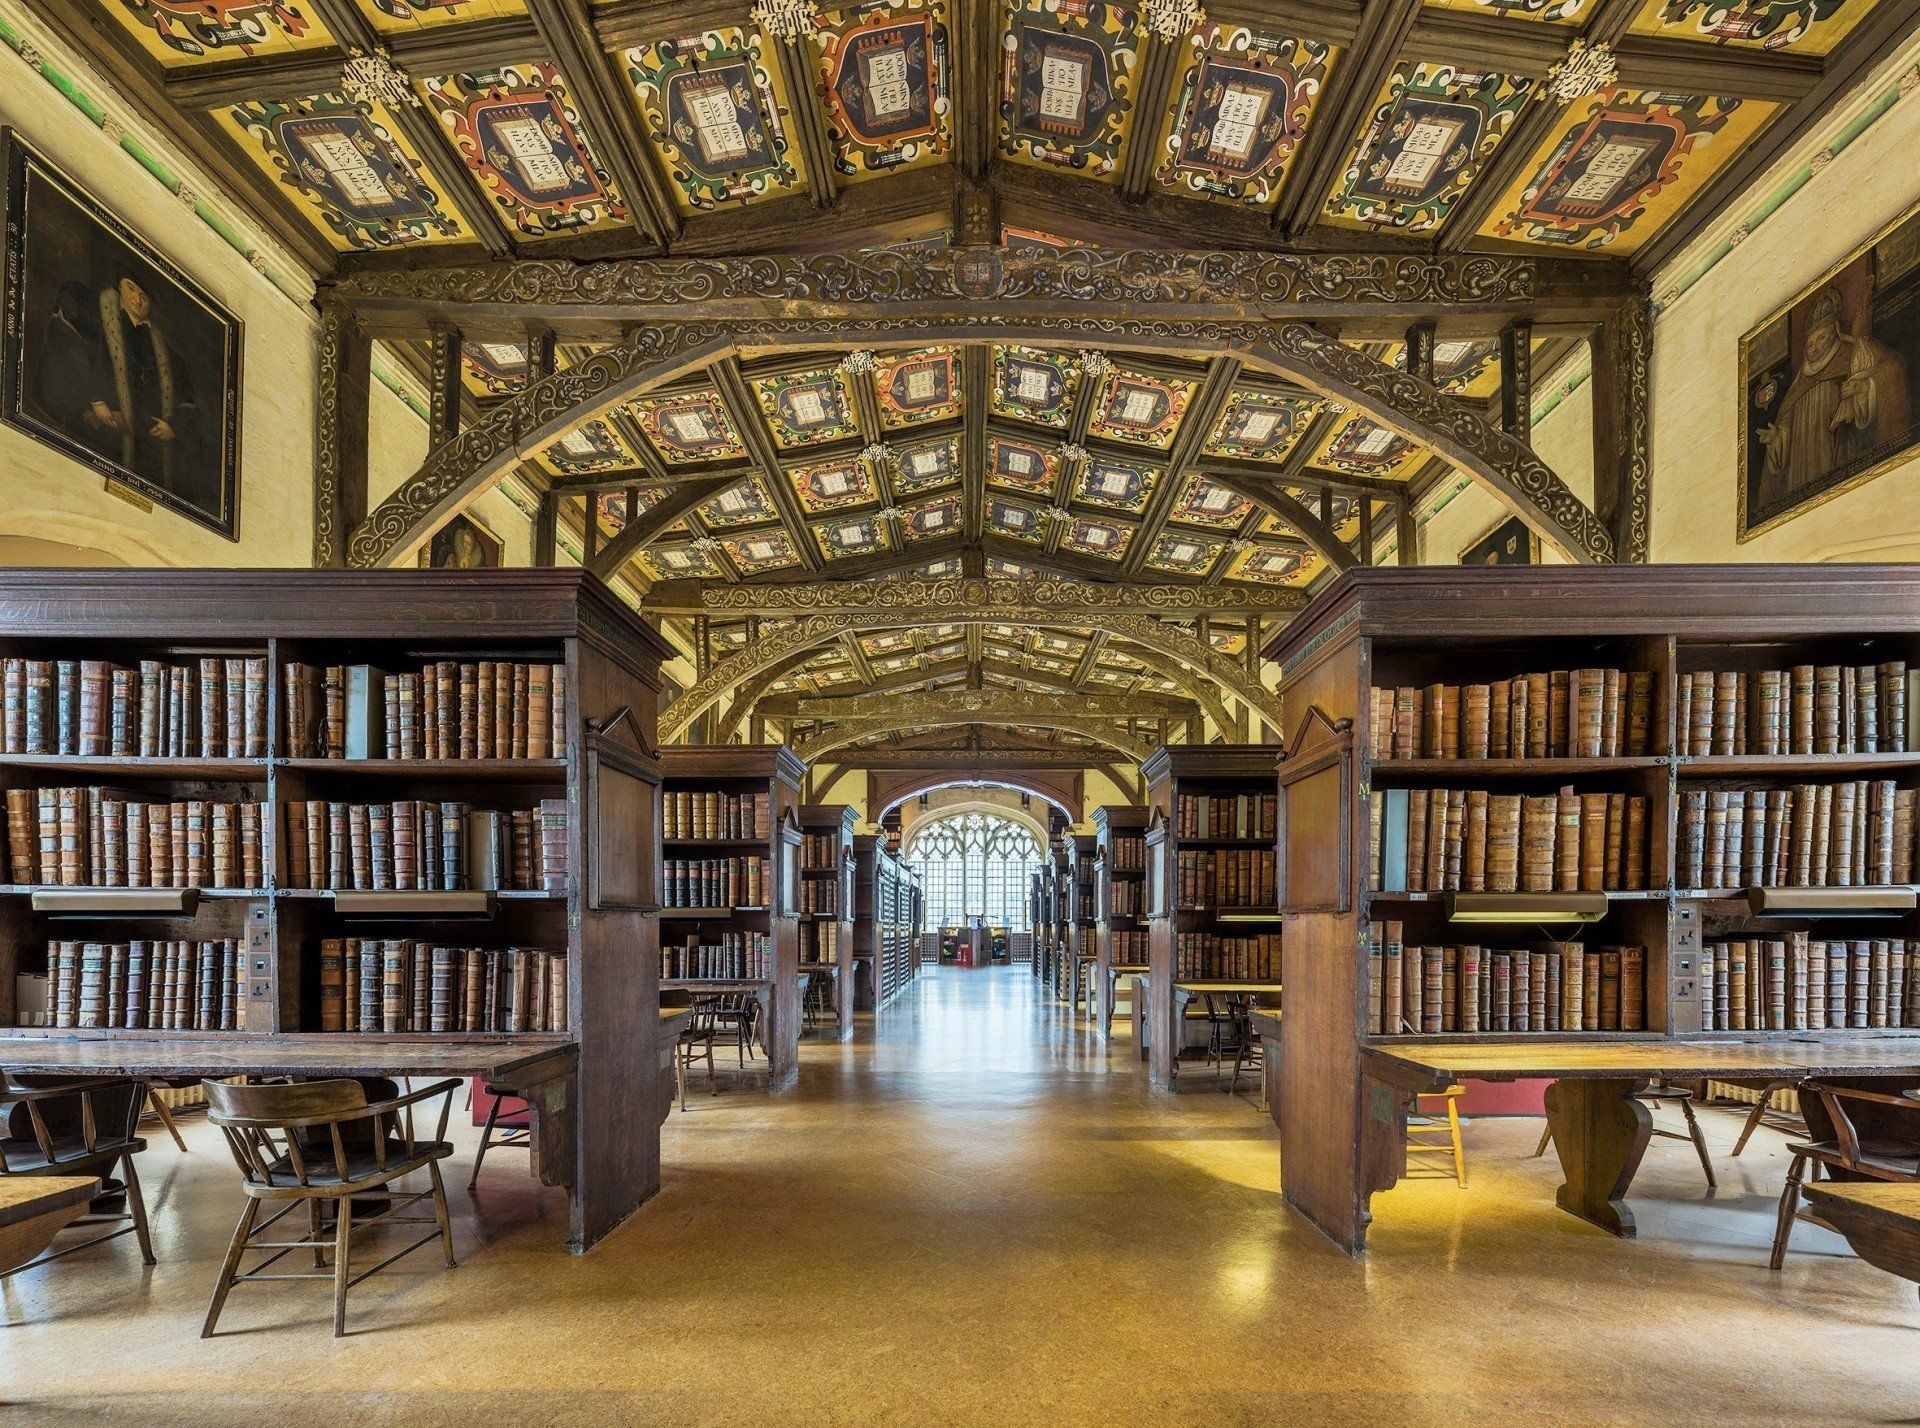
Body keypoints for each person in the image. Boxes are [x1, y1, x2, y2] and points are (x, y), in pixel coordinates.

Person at [1755, 287, 1910, 513]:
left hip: (1842, 456)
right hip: (1801, 469)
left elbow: (1893, 369)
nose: (1815, 348)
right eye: (1810, 344)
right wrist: (1778, 438)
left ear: (1835, 333)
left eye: (1821, 338)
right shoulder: (1798, 384)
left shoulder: (1854, 354)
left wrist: (1864, 389)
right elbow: (1787, 426)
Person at [89, 273, 205, 496]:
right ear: (119, 289)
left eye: (144, 296)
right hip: (109, 443)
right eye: (130, 288)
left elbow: (189, 401)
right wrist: (97, 400)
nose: (137, 300)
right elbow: (82, 360)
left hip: (152, 451)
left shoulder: (167, 352)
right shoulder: (100, 324)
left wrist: (174, 427)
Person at [34, 281, 109, 457]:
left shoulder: (63, 330)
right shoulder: (65, 333)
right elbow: (82, 378)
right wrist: (96, 406)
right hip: (55, 415)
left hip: (53, 410)